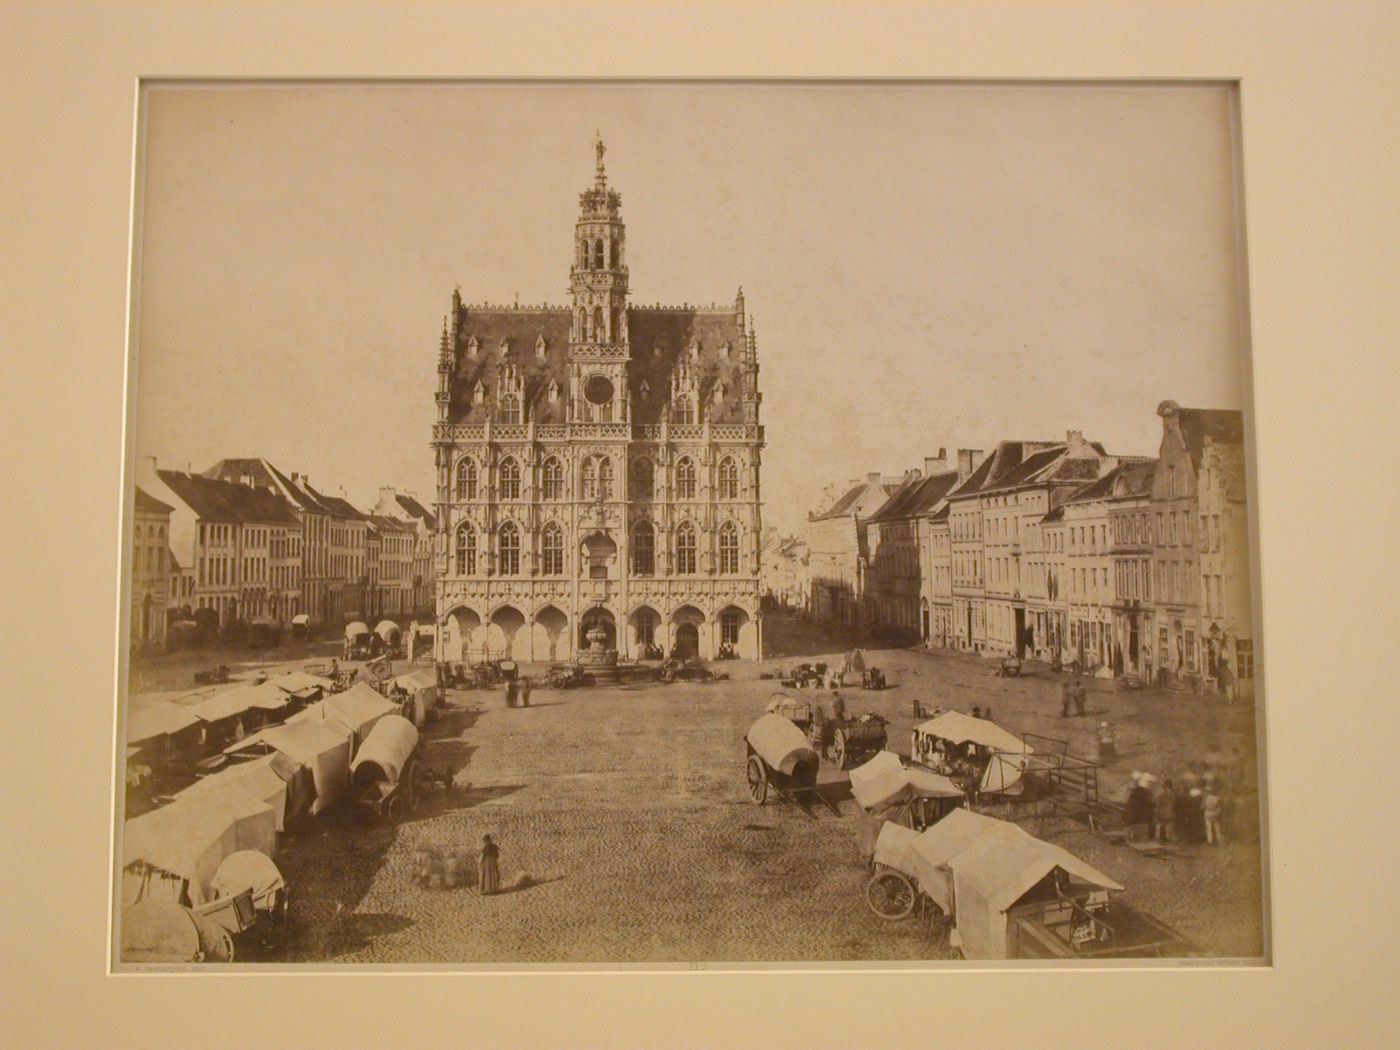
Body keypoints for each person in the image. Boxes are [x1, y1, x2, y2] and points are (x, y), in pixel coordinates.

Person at [1154, 778, 1177, 843]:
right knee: (1168, 825)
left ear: (1165, 785)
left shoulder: (1163, 793)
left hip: (1163, 812)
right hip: (1170, 811)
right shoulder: (1173, 794)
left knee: (1162, 826)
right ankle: (1168, 838)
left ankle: (1163, 839)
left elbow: (1158, 802)